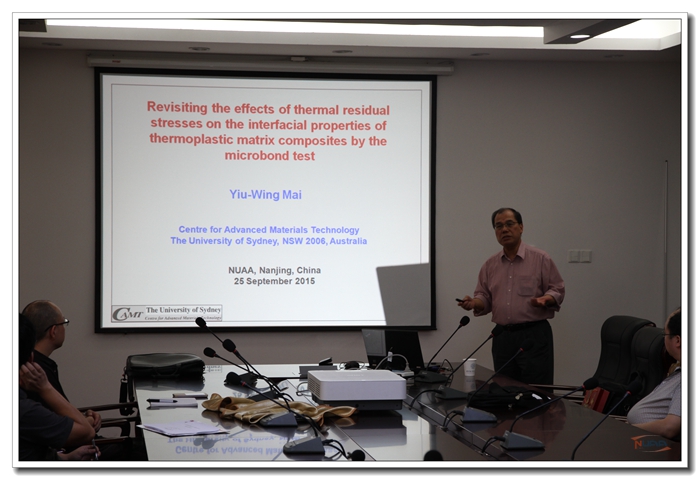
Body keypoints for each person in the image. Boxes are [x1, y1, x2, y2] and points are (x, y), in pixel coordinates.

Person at [458, 208, 565, 385]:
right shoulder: (490, 264)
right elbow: (484, 297)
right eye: (499, 226)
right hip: (502, 337)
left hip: (533, 335)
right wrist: (474, 303)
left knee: (536, 391)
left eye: (509, 224)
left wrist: (547, 299)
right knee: (504, 389)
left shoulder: (540, 258)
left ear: (521, 227)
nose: (504, 230)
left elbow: (557, 289)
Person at [18, 314, 99, 461]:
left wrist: (65, 458)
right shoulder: (24, 409)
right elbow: (86, 432)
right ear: (30, 358)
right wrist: (45, 387)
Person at [22, 300, 101, 431]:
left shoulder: (32, 363)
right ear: (53, 331)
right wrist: (89, 420)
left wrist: (84, 416)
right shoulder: (37, 372)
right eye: (64, 323)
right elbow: (64, 424)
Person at [627, 308, 681, 441]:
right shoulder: (678, 370)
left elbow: (670, 428)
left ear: (677, 340)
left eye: (665, 334)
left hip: (658, 446)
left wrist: (626, 430)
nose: (663, 339)